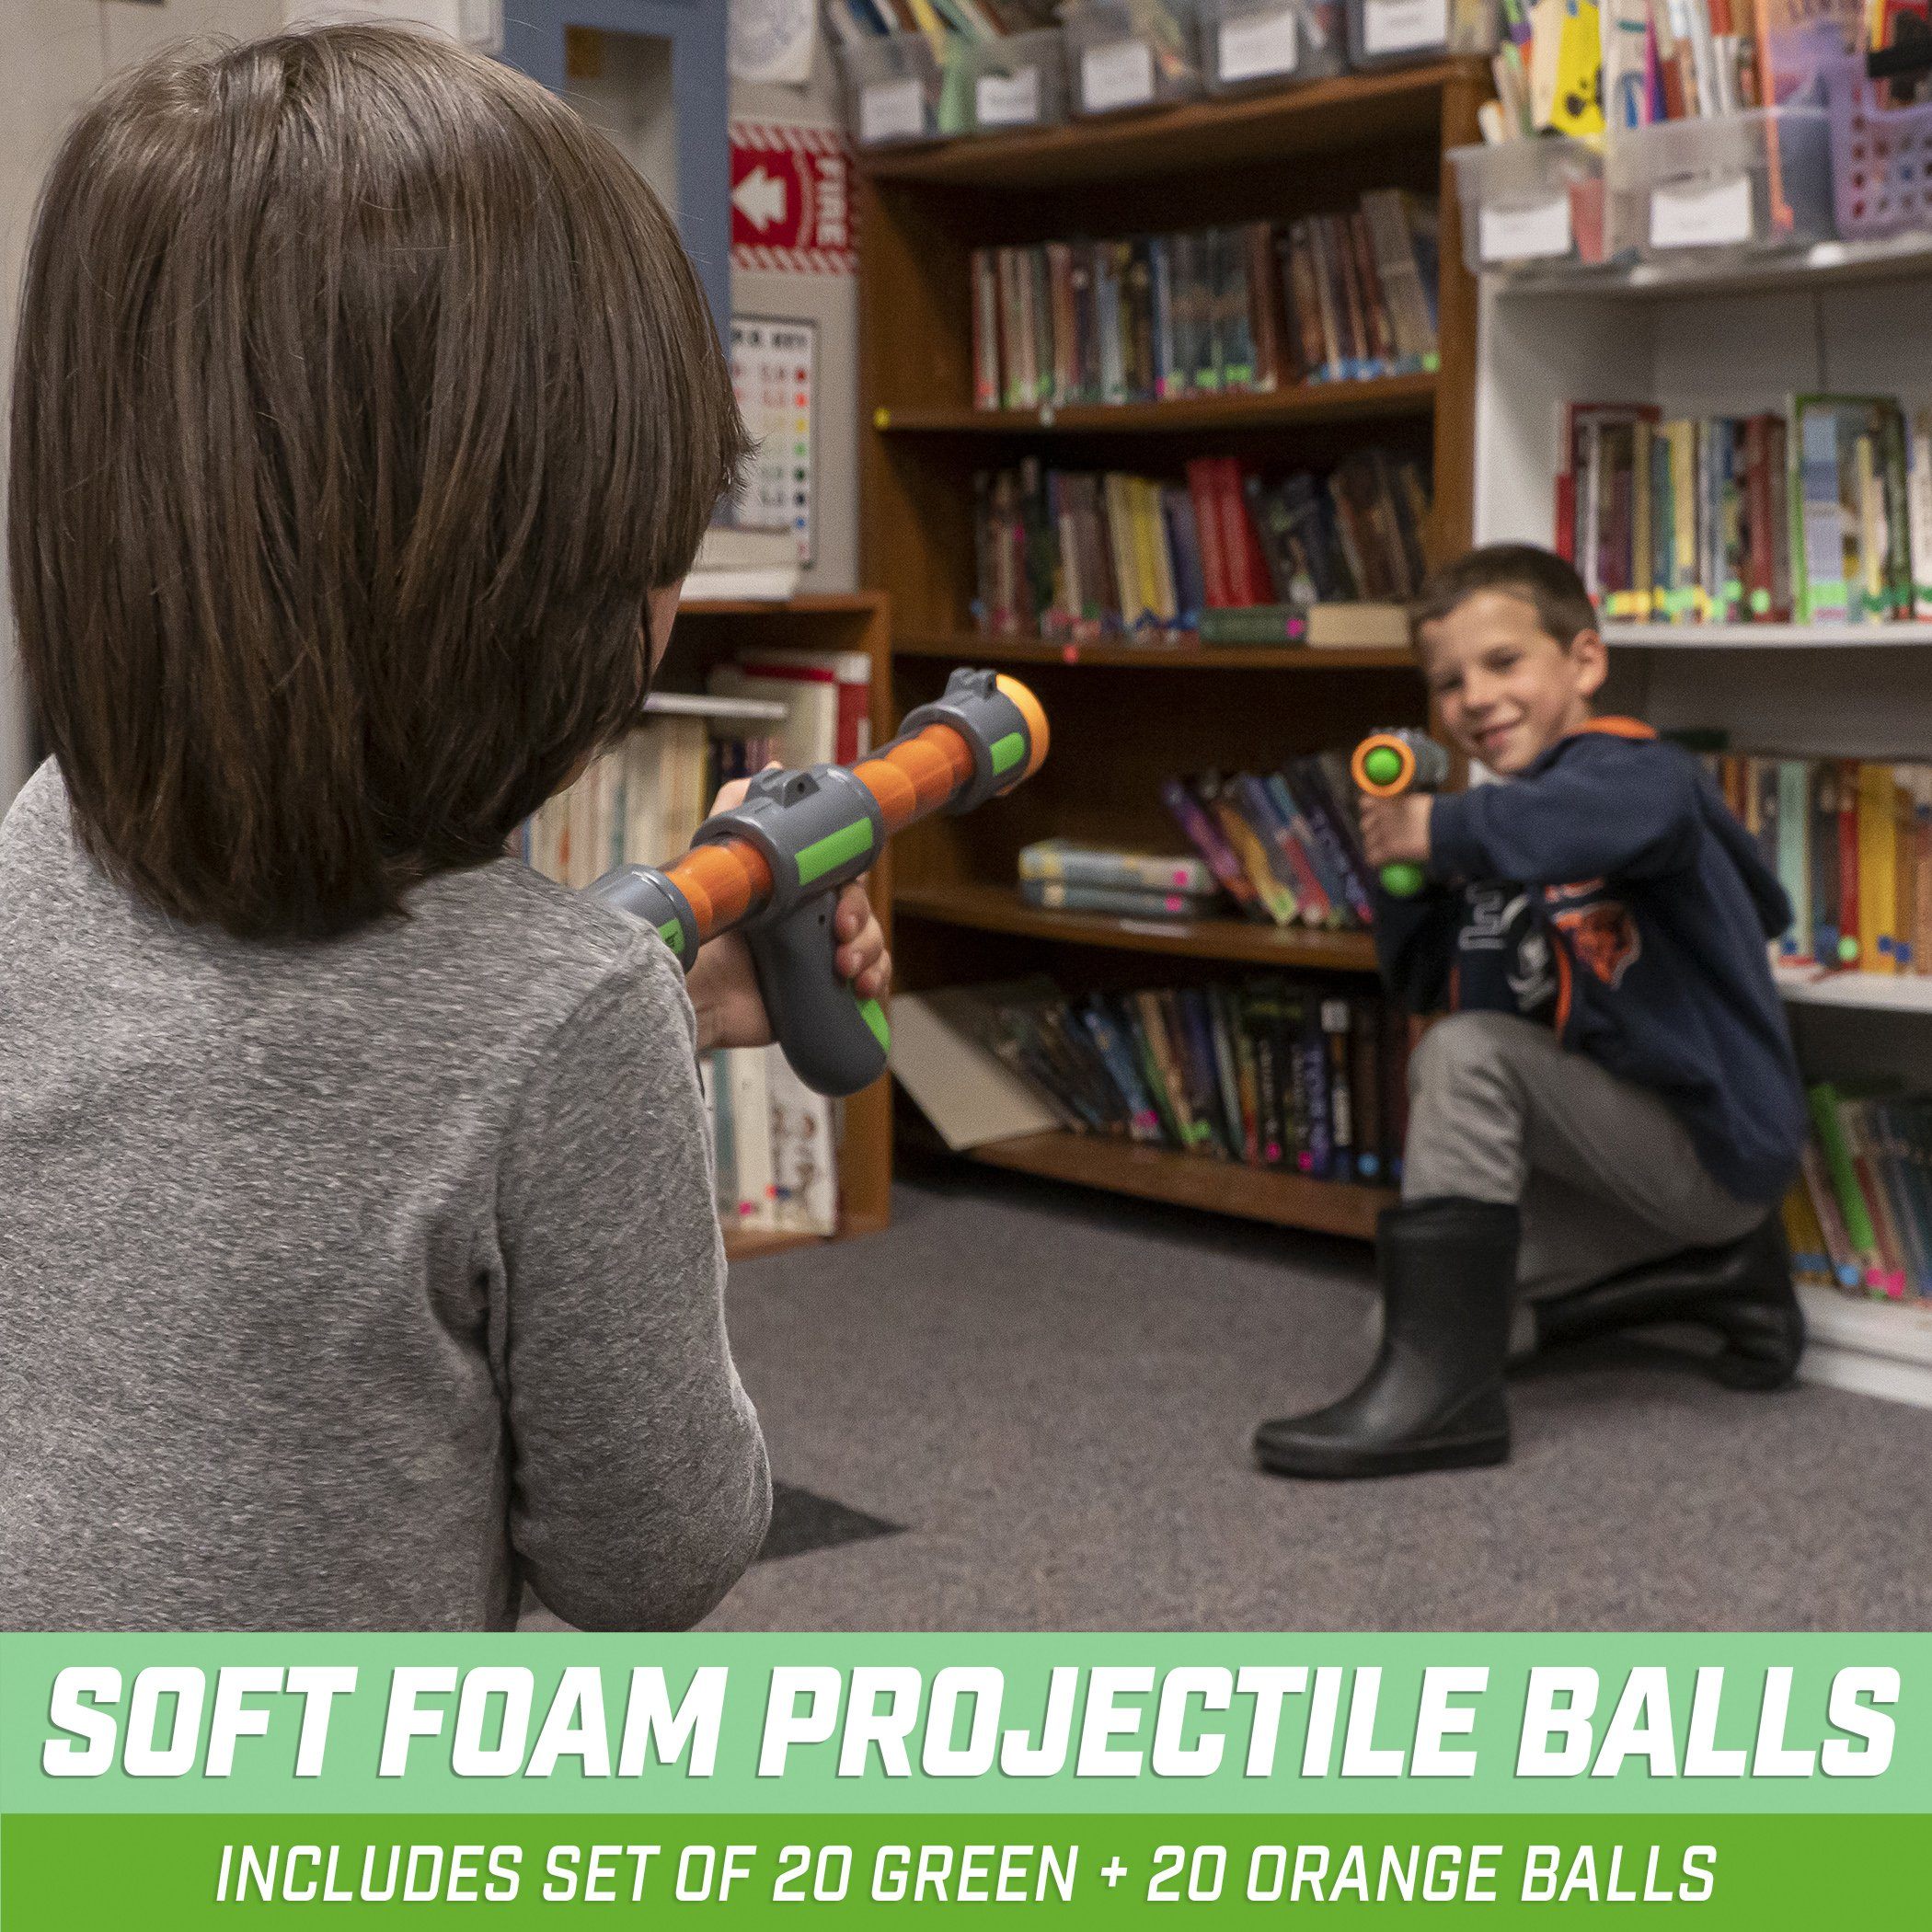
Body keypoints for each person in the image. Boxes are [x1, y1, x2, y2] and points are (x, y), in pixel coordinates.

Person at [0, 26, 887, 1629]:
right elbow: (649, 1553)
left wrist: (616, 1037)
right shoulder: (562, 1024)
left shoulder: (32, 857)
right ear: (550, 591)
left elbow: (281, 1106)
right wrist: (602, 1081)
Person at [1254, 545, 1807, 1480]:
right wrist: (1405, 868)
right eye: (1448, 681)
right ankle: (1715, 1280)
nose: (1474, 697)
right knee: (1416, 1320)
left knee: (1471, 1055)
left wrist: (1445, 830)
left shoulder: (1638, 777)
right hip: (1605, 1166)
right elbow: (1423, 983)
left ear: (1583, 662)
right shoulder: (1495, 828)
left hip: (1703, 1151)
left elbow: (1605, 821)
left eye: (1503, 663)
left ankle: (1451, 1412)